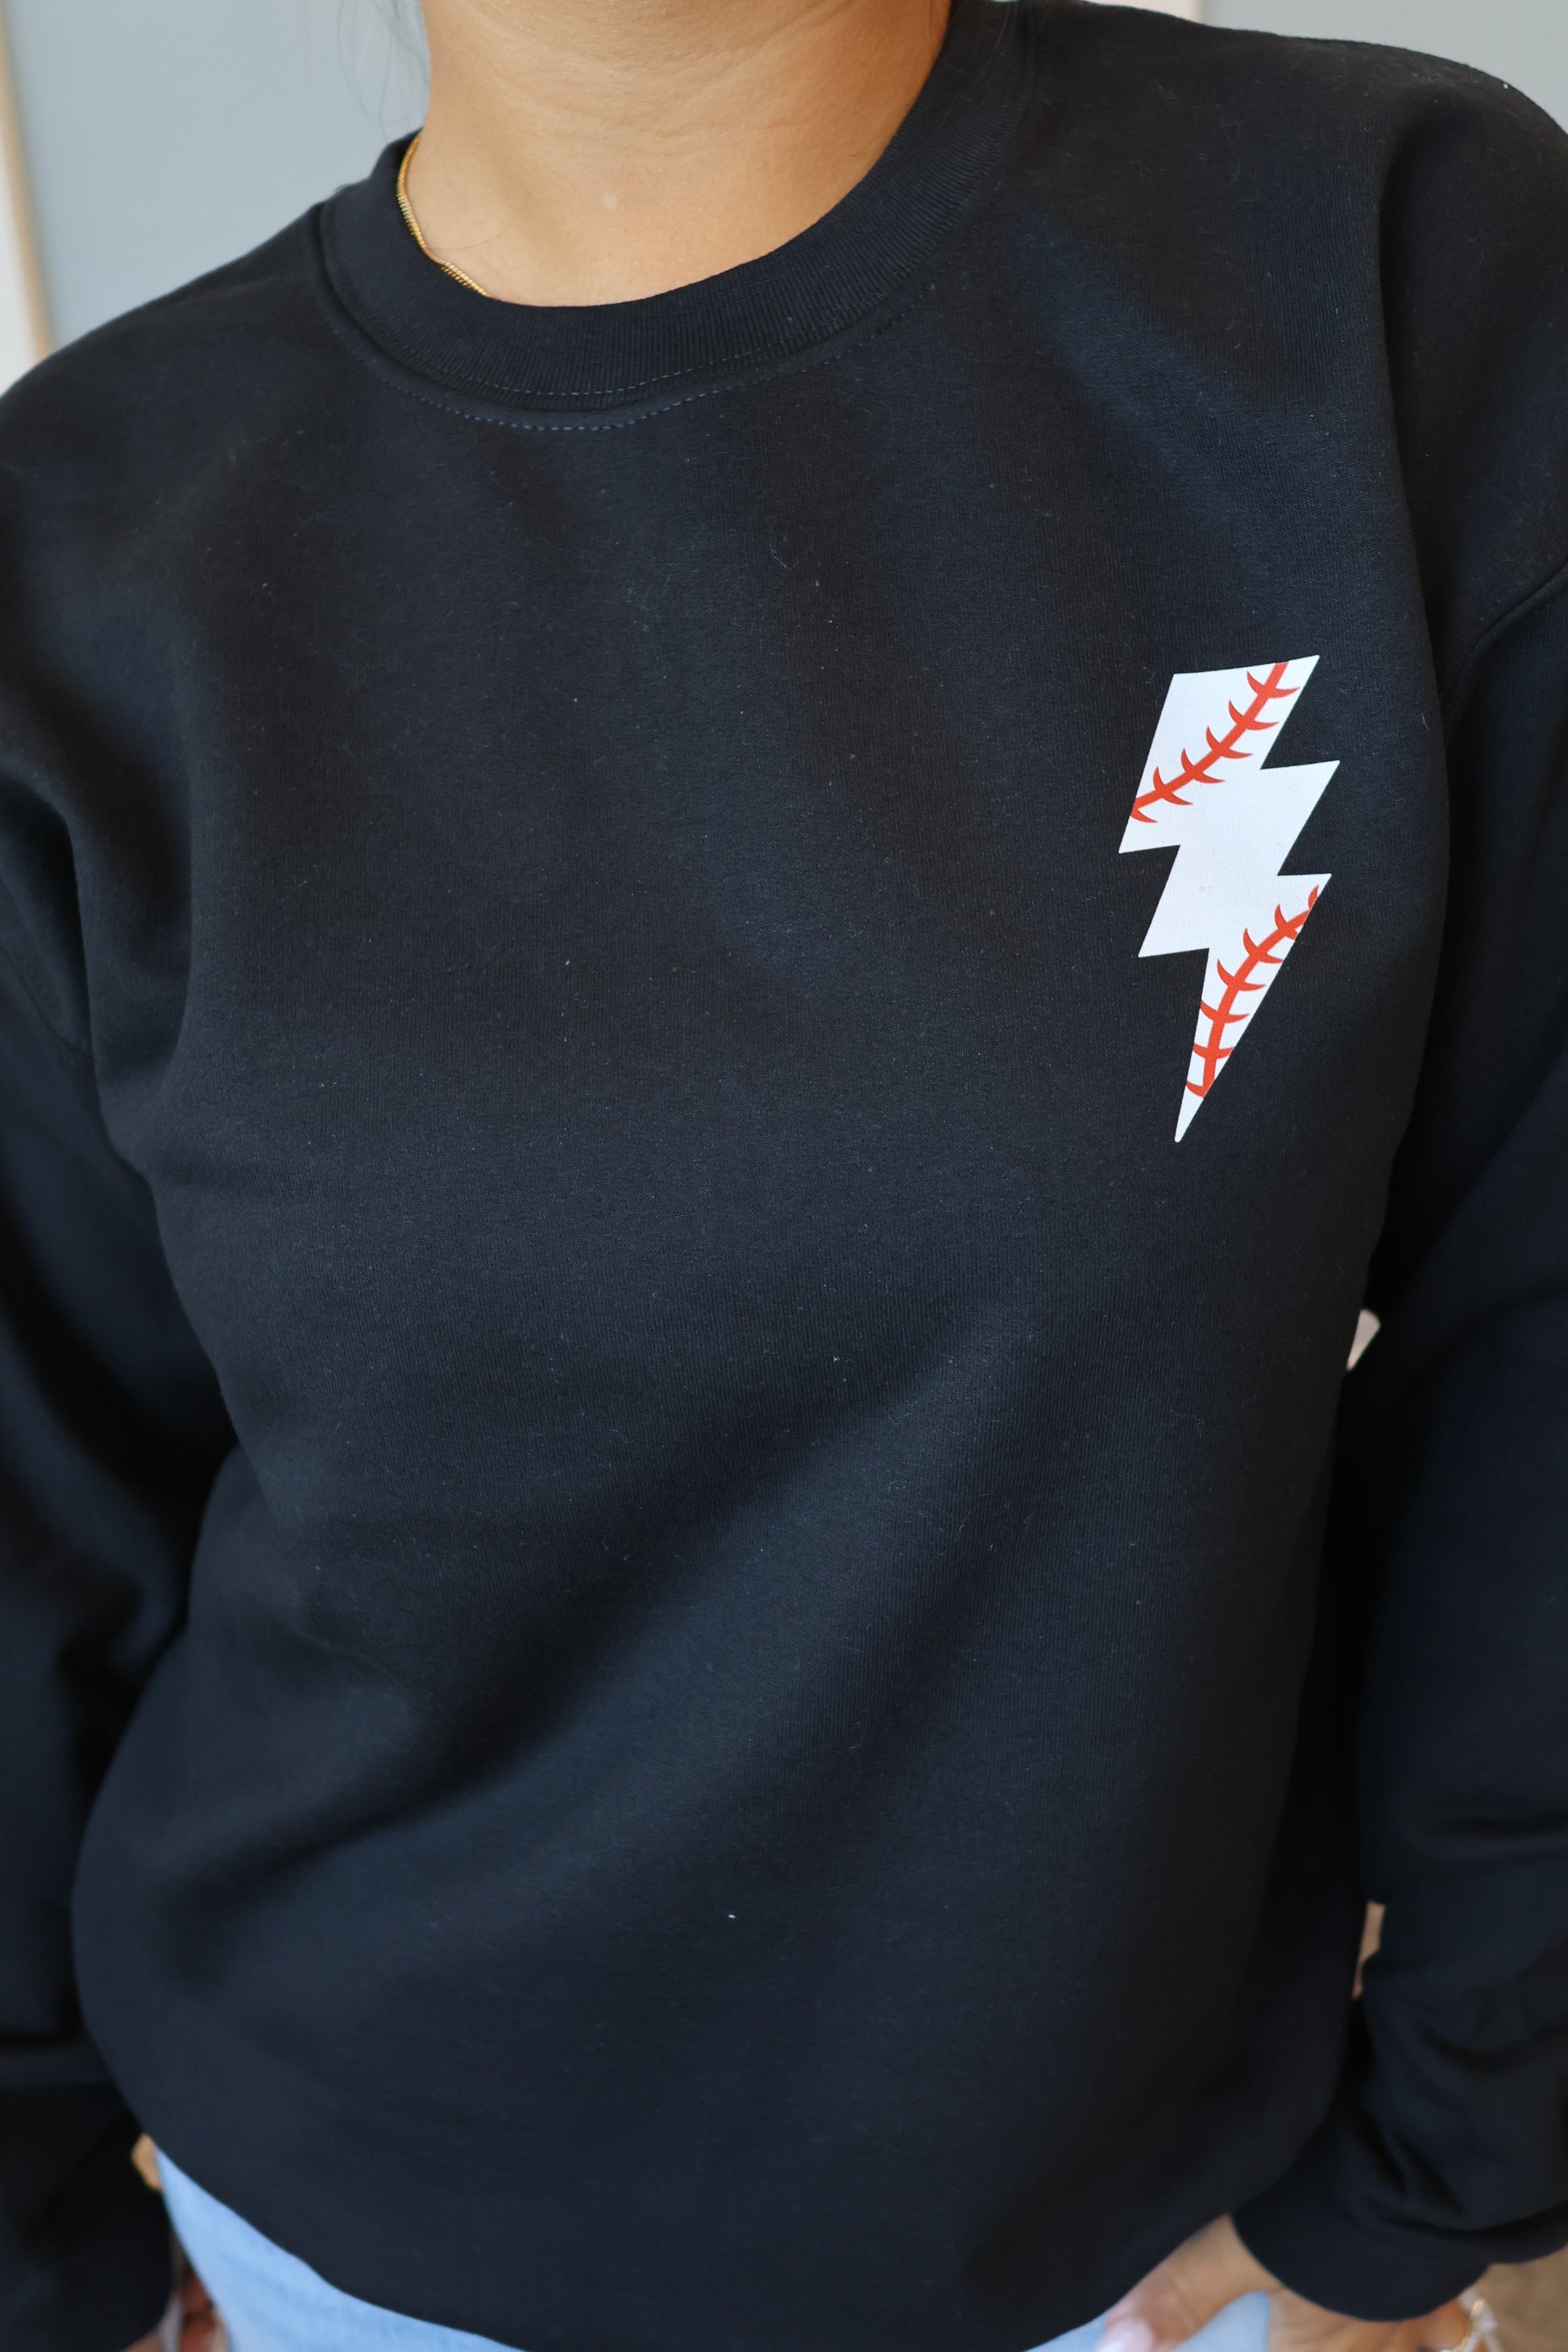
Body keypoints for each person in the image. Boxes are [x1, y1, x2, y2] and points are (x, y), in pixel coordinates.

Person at [1, 0, 1565, 2346]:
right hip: (335, 2218)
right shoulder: (79, 544)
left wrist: (1448, 2146)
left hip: (1131, 2243)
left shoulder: (1385, 277)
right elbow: (33, 1515)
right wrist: (37, 2249)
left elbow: (1539, 1340)